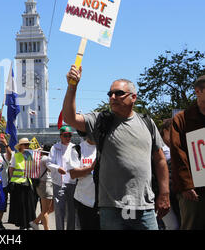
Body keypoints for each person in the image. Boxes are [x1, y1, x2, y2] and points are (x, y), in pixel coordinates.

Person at [62, 65, 170, 230]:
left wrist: (164, 193)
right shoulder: (101, 121)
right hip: (112, 207)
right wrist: (72, 86)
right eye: (110, 94)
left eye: (118, 93)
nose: (112, 97)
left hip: (144, 207)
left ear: (133, 97)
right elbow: (69, 118)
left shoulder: (147, 123)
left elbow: (160, 159)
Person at [170, 75, 205, 230]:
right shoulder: (182, 119)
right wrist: (186, 185)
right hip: (193, 191)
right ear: (198, 92)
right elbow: (177, 153)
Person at [65, 132, 99, 230]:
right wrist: (91, 168)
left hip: (103, 201)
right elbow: (73, 174)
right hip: (84, 201)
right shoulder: (77, 149)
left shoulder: (105, 147)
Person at [47, 125, 77, 230]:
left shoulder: (74, 147)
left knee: (72, 211)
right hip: (58, 183)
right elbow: (49, 163)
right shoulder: (55, 147)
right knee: (59, 210)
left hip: (72, 183)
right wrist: (57, 168)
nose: (68, 138)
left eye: (69, 135)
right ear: (60, 136)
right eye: (65, 135)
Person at [8, 138, 36, 230]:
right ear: (20, 146)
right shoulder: (15, 156)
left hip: (28, 183)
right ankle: (22, 224)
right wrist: (12, 180)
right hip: (18, 184)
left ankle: (28, 223)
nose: (27, 146)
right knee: (20, 205)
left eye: (28, 145)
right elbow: (11, 169)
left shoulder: (30, 156)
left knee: (29, 205)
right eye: (25, 145)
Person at [158, 118, 181, 230]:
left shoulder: (177, 148)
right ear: (165, 130)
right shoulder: (159, 148)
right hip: (161, 195)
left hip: (174, 196)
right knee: (172, 226)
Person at [30, 143, 54, 230]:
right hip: (45, 184)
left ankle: (35, 222)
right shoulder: (46, 159)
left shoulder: (39, 158)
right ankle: (46, 228)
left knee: (50, 208)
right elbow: (52, 169)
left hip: (43, 184)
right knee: (46, 210)